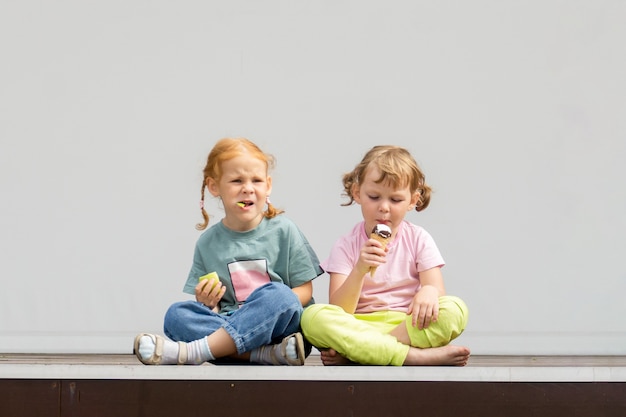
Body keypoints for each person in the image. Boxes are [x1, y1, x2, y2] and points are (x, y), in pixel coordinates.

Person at [134, 137, 323, 365]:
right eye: (236, 181)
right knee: (176, 316)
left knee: (280, 295)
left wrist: (270, 307)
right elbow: (216, 308)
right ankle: (264, 355)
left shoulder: (284, 230)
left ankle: (196, 351)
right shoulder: (208, 243)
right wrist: (207, 302)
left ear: (268, 185)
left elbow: (304, 291)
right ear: (214, 187)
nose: (248, 189)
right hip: (242, 327)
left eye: (256, 180)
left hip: (280, 329)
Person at [300, 145, 470, 366]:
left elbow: (437, 293)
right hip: (360, 325)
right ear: (357, 193)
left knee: (455, 309)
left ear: (412, 200)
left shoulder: (419, 238)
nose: (384, 207)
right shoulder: (346, 244)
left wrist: (428, 291)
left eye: (396, 200)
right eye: (374, 197)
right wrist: (360, 269)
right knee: (313, 317)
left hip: (408, 326)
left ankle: (365, 352)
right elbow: (340, 310)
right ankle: (412, 356)